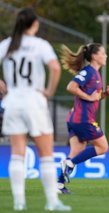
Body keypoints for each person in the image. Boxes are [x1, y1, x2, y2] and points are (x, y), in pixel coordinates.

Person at [0, 8, 71, 211]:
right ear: (35, 24)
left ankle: (18, 202)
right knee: (46, 154)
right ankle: (52, 201)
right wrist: (48, 91)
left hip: (12, 102)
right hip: (34, 101)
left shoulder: (6, 45)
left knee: (17, 153)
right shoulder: (40, 45)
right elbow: (55, 68)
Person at [57, 43, 109, 193]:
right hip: (83, 119)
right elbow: (71, 87)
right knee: (103, 147)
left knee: (76, 151)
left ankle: (59, 185)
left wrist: (104, 94)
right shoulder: (89, 72)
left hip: (75, 119)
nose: (106, 55)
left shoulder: (95, 74)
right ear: (95, 56)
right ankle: (70, 164)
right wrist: (89, 97)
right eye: (103, 53)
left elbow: (93, 97)